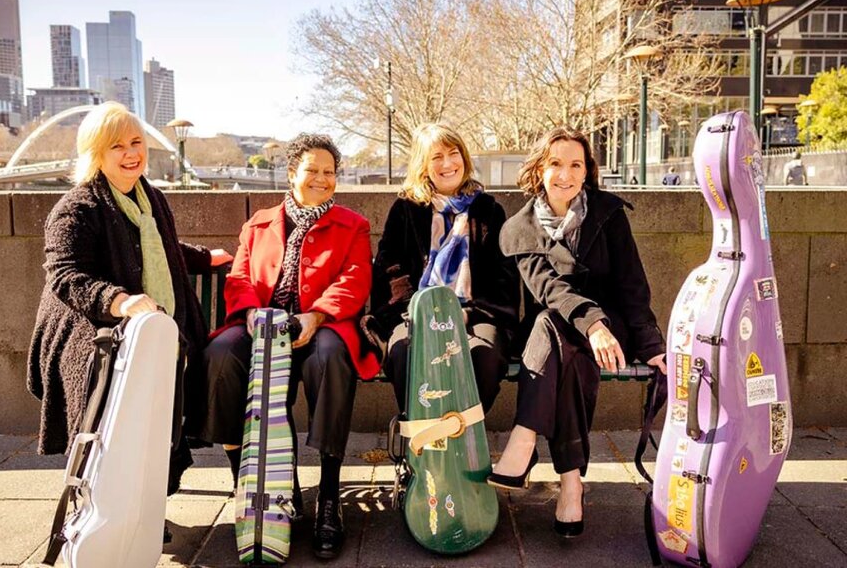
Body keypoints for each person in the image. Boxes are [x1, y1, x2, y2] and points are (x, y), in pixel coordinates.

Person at [27, 102, 232, 505]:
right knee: (109, 394)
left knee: (162, 397)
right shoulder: (76, 208)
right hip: (90, 330)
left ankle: (144, 501)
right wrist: (117, 299)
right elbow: (65, 275)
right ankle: (100, 501)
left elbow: (162, 249)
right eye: (117, 146)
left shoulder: (151, 198)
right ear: (96, 154)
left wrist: (206, 258)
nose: (131, 153)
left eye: (136, 142)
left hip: (150, 329)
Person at [196, 133, 377, 560]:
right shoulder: (258, 223)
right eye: (312, 170)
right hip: (261, 324)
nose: (321, 179)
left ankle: (328, 498)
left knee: (332, 359)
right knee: (220, 357)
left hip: (322, 325)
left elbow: (355, 281)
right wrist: (252, 315)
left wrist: (316, 315)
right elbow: (239, 278)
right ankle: (259, 486)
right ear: (292, 172)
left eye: (329, 172)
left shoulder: (353, 225)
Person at [488, 126, 666, 539]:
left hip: (610, 328)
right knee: (556, 330)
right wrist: (592, 326)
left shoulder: (607, 214)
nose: (565, 174)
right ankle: (571, 485)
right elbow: (550, 289)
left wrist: (650, 344)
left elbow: (632, 285)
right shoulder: (519, 229)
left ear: (587, 171)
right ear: (539, 169)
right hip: (555, 333)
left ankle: (524, 437)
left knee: (560, 337)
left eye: (575, 165)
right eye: (555, 164)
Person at [362, 122, 519, 414]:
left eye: (454, 153)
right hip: (415, 313)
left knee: (484, 358)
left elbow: (504, 277)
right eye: (436, 157)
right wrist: (421, 311)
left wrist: (466, 313)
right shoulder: (405, 210)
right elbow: (391, 269)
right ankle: (422, 444)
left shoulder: (488, 210)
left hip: (476, 313)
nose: (448, 163)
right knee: (405, 353)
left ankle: (462, 441)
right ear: (423, 165)